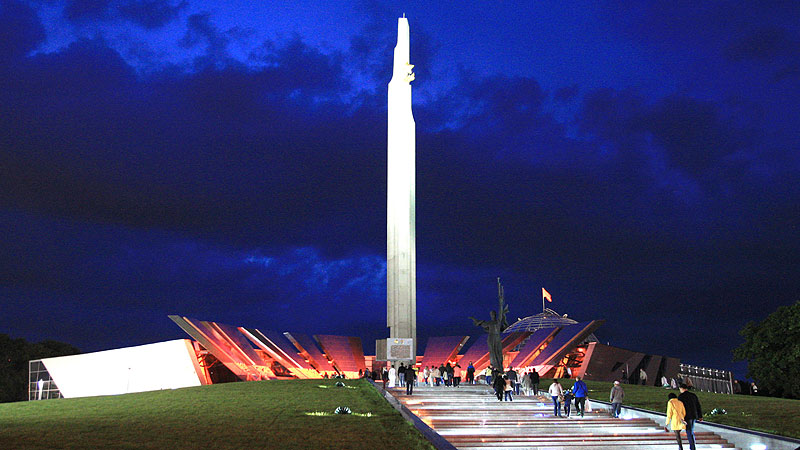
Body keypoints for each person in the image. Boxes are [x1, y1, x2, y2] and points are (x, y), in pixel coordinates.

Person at [678, 383, 703, 450]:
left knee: (689, 431)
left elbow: (680, 408)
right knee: (690, 431)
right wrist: (700, 416)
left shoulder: (681, 396)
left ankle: (692, 447)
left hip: (686, 416)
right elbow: (698, 406)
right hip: (694, 415)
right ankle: (692, 446)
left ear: (681, 388)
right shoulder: (693, 395)